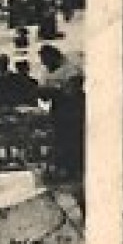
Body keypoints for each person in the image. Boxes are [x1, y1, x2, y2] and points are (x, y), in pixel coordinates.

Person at [39, 45, 85, 184]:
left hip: (74, 107)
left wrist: (54, 91)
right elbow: (45, 97)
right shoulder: (46, 73)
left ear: (54, 57)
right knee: (61, 138)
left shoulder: (71, 69)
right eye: (43, 61)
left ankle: (77, 168)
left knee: (74, 137)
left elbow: (73, 90)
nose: (44, 64)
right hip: (58, 108)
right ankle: (67, 167)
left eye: (46, 60)